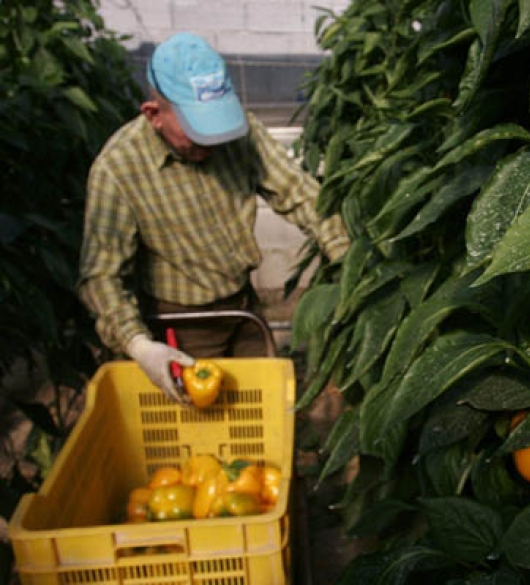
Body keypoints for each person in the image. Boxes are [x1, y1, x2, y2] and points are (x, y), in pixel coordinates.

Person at [78, 32, 349, 405]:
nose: (211, 143)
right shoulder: (120, 168)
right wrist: (139, 344)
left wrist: (347, 255)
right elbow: (101, 273)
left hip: (243, 308)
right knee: (197, 429)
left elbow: (299, 193)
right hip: (181, 325)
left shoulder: (237, 137)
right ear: (154, 115)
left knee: (260, 407)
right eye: (195, 129)